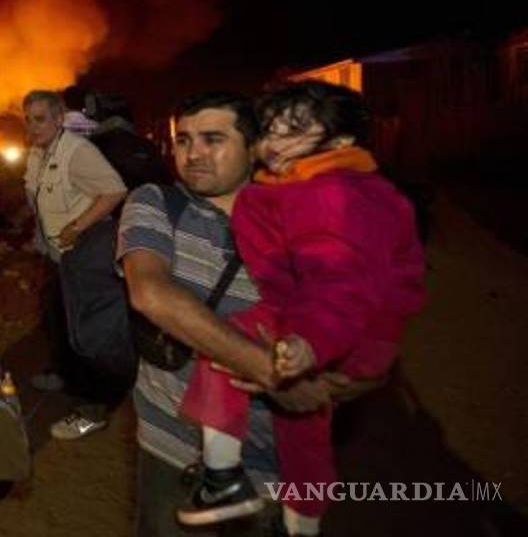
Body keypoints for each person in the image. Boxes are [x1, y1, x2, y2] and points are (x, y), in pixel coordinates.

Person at [119, 91, 385, 537]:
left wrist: (332, 385)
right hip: (171, 447)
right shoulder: (158, 203)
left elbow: (371, 353)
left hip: (272, 466)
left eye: (212, 139)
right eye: (183, 140)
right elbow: (150, 292)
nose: (193, 154)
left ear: (254, 147)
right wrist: (271, 372)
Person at [176, 81, 427, 535]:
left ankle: (223, 479)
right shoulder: (290, 188)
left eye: (294, 131)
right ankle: (290, 518)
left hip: (332, 324)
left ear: (342, 141)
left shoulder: (334, 193)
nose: (274, 144)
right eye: (270, 130)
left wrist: (309, 342)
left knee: (228, 345)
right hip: (314, 321)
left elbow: (340, 281)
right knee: (301, 433)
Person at [22, 89, 128, 439]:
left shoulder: (77, 151)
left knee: (88, 333)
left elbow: (114, 191)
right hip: (59, 254)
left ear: (58, 118)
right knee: (61, 322)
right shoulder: (37, 153)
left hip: (87, 250)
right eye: (28, 119)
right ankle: (67, 375)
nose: (32, 126)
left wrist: (76, 226)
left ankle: (93, 407)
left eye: (40, 118)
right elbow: (40, 198)